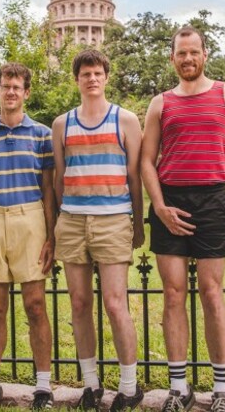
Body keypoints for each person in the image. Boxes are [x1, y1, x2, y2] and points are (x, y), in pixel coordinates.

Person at [141, 26, 225, 412]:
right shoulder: (160, 103)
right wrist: (159, 207)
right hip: (171, 201)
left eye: (193, 52)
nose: (187, 59)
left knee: (212, 292)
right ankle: (178, 387)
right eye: (180, 53)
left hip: (211, 199)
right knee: (172, 294)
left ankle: (221, 388)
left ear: (204, 54)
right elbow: (145, 161)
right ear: (172, 58)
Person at [52, 50, 145, 411]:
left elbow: (134, 177)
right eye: (85, 73)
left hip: (113, 220)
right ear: (76, 79)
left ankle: (129, 385)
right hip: (73, 221)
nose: (92, 78)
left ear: (106, 76)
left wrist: (137, 224)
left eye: (97, 72)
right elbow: (60, 177)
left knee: (114, 303)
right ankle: (91, 385)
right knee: (79, 304)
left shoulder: (126, 119)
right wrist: (64, 216)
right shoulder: (63, 124)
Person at [0, 62, 56, 409]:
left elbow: (48, 190)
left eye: (17, 86)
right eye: (5, 86)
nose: (11, 92)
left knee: (35, 305)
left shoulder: (42, 135)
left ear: (26, 92)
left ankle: (44, 387)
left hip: (29, 217)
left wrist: (50, 236)